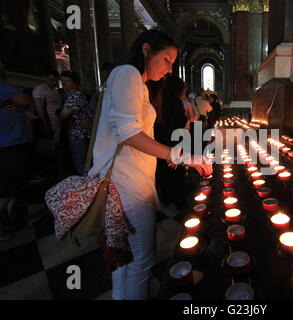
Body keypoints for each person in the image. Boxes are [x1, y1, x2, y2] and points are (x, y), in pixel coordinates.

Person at [87, 29, 212, 300]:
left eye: (172, 62)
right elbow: (128, 133)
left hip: (133, 176)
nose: (169, 68)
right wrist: (179, 156)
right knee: (143, 256)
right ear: (146, 50)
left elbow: (139, 132)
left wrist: (163, 155)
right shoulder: (127, 74)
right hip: (126, 181)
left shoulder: (139, 84)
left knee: (125, 256)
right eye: (166, 59)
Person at [0, 59, 34, 240]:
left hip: (13, 142)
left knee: (15, 183)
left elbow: (24, 103)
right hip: (10, 143)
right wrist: (22, 103)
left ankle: (10, 219)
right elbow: (26, 100)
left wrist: (20, 105)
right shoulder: (3, 87)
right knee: (9, 185)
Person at [155, 75, 190, 212]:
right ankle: (179, 201)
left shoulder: (160, 100)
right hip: (175, 141)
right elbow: (180, 122)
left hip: (161, 140)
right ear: (179, 89)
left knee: (164, 171)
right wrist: (187, 119)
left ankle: (166, 197)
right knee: (177, 172)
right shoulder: (174, 101)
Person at [58, 71, 92, 176]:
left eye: (67, 81)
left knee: (81, 164)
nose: (64, 83)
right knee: (84, 162)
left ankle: (86, 186)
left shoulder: (75, 96)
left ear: (75, 83)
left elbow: (64, 115)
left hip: (78, 134)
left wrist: (59, 114)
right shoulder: (75, 96)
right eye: (62, 81)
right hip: (82, 133)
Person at [31, 70, 62, 139]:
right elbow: (39, 108)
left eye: (56, 80)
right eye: (52, 80)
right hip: (50, 124)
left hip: (58, 124)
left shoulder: (54, 90)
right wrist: (45, 125)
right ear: (45, 78)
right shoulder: (40, 89)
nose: (54, 83)